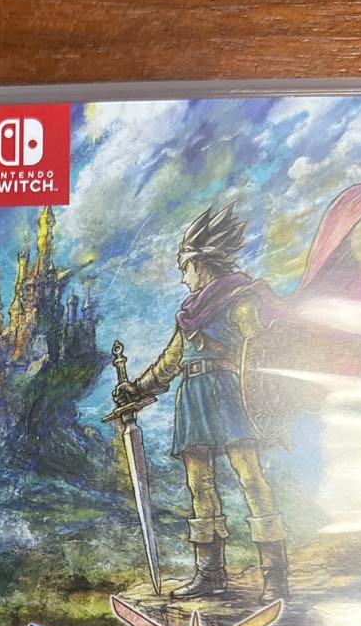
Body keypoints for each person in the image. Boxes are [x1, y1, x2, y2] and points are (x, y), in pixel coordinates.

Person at [113, 206, 288, 603]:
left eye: (185, 268)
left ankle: (275, 577)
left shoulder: (242, 302)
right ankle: (210, 574)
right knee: (199, 486)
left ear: (201, 264)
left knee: (251, 479)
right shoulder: (188, 316)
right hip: (192, 398)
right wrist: (136, 389)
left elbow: (261, 353)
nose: (183, 277)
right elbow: (171, 362)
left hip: (230, 395)